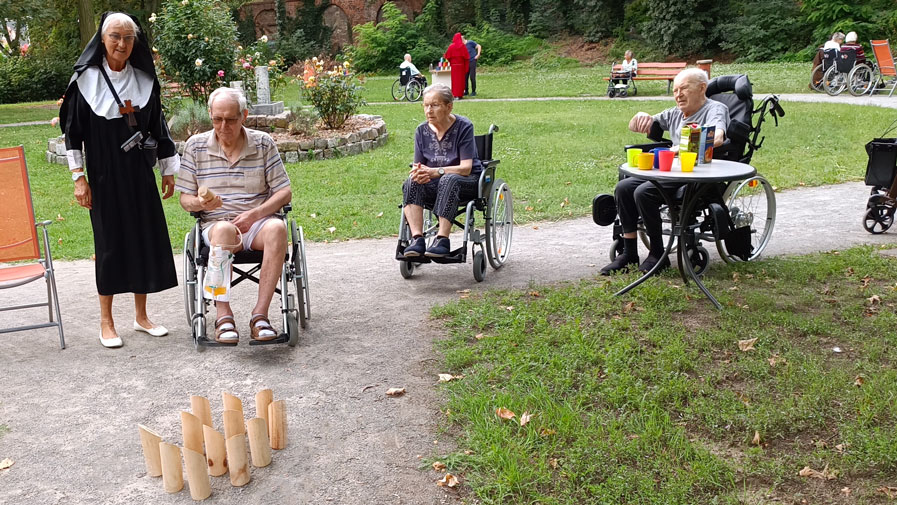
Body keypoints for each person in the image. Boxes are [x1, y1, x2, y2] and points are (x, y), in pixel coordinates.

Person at [59, 12, 179, 348]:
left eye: (128, 38)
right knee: (109, 244)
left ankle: (141, 317)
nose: (121, 44)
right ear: (101, 38)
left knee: (143, 238)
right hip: (103, 174)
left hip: (139, 172)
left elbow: (159, 125)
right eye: (115, 36)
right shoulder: (86, 82)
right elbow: (72, 135)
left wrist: (168, 168)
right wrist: (79, 178)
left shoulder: (143, 79)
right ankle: (106, 322)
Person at [176, 87, 292, 344]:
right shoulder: (195, 147)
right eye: (217, 119)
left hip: (257, 224)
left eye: (230, 119)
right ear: (210, 115)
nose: (223, 126)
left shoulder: (263, 143)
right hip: (216, 226)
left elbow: (284, 192)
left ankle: (260, 316)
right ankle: (223, 315)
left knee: (278, 229)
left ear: (244, 116)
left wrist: (255, 214)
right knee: (223, 230)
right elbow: (184, 199)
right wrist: (200, 202)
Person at [600, 68, 730, 276]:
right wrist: (641, 117)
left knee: (644, 192)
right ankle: (629, 253)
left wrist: (683, 147)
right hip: (673, 171)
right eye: (675, 90)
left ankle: (658, 255)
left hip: (698, 175)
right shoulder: (675, 113)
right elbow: (650, 121)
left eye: (684, 88)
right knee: (624, 187)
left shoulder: (715, 109)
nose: (678, 94)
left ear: (702, 88)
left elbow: (718, 138)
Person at [401, 84, 482, 258]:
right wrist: (419, 173)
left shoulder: (464, 126)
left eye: (435, 105)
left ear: (449, 106)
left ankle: (442, 240)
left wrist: (436, 172)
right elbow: (419, 166)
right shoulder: (421, 131)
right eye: (426, 105)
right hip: (435, 184)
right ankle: (417, 239)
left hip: (466, 182)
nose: (429, 110)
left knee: (449, 179)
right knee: (411, 181)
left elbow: (466, 168)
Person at [443, 33, 470, 99]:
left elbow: (447, 56)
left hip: (454, 66)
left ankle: (455, 94)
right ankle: (460, 94)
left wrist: (451, 62)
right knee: (460, 81)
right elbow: (466, 57)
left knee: (455, 81)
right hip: (461, 66)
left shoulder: (451, 46)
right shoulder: (462, 46)